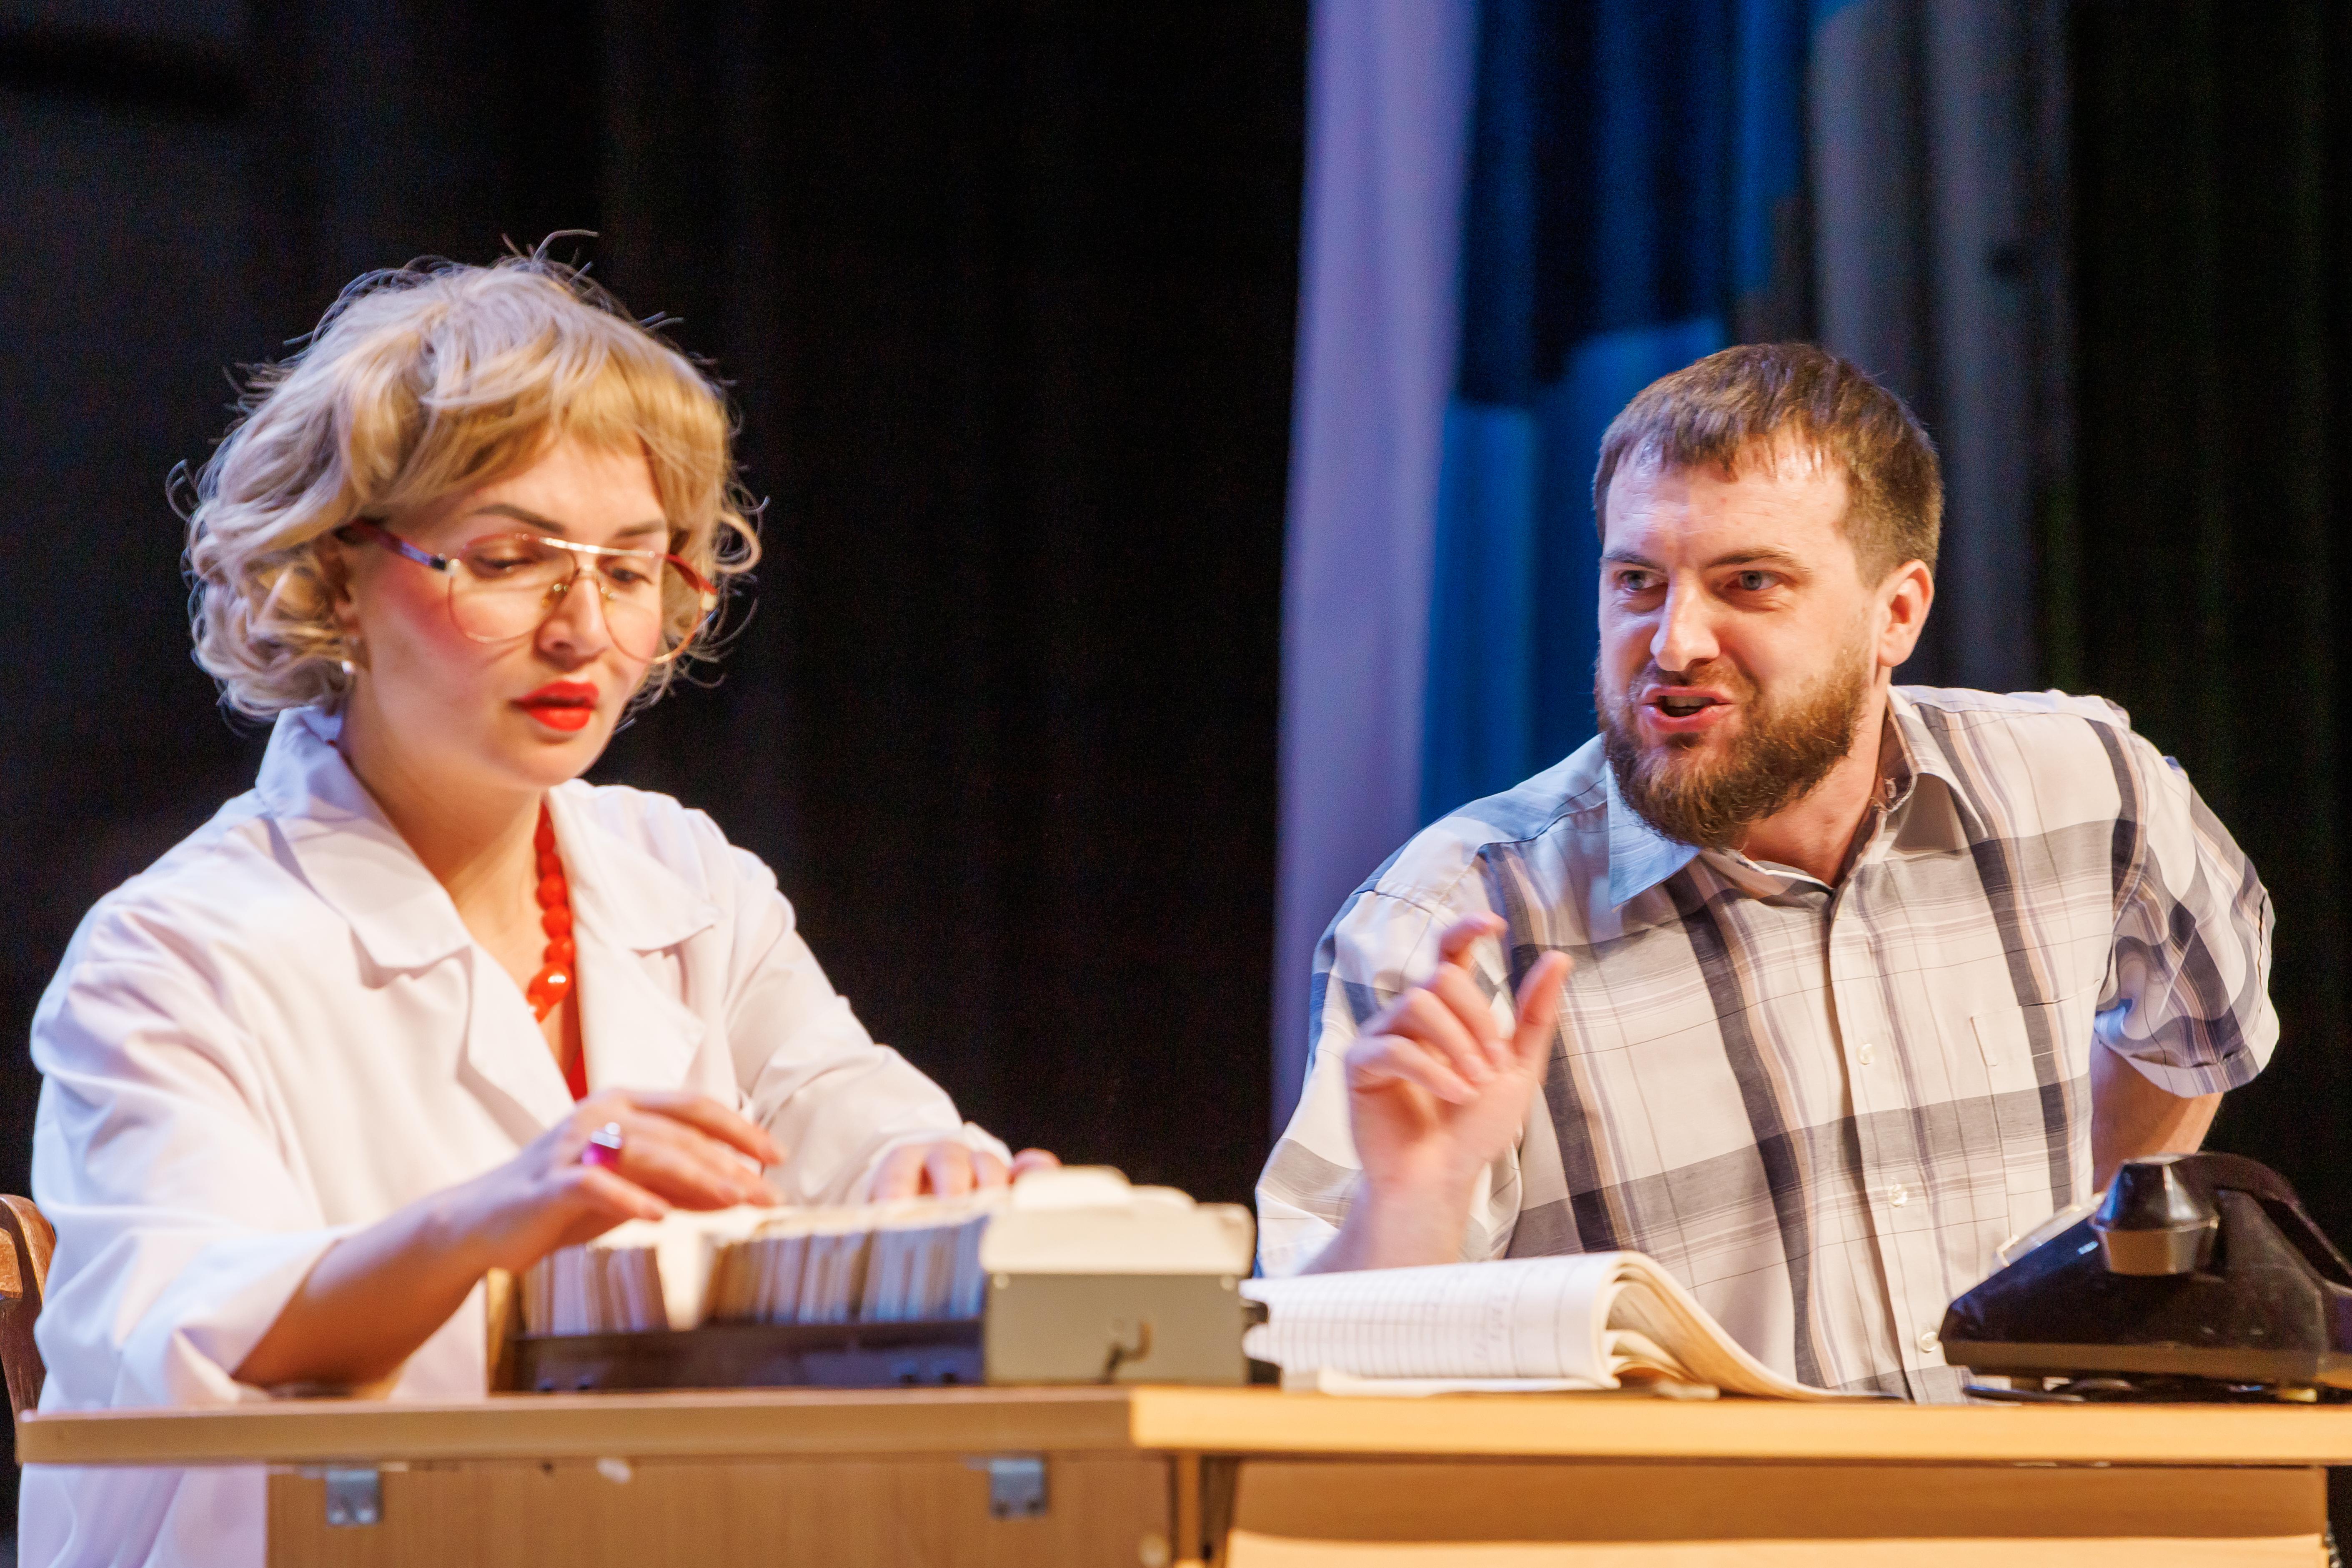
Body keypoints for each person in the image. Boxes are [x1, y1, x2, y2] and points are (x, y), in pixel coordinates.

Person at [22, 253, 1055, 1566]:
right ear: (333, 576)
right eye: (510, 560)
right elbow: (183, 1341)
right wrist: (499, 1210)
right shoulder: (173, 951)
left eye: (629, 571)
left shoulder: (687, 879)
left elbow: (852, 1118)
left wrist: (936, 1183)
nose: (582, 632)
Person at [1257, 342, 2272, 1399]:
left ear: (1895, 614)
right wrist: (1410, 1206)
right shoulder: (1453, 919)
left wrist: (2073, 1274)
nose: (1674, 643)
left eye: (1748, 583)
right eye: (1636, 582)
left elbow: (2203, 1025)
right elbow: (1307, 1372)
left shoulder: (2085, 788)